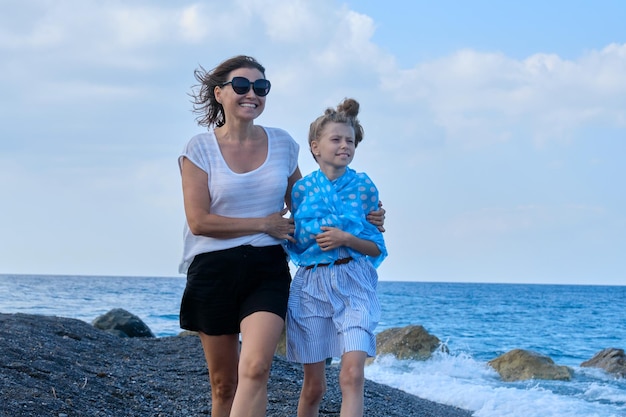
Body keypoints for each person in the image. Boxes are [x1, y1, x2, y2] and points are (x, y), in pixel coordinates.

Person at [177, 56, 385, 417]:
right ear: (220, 93)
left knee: (256, 368)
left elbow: (308, 204)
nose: (252, 94)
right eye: (241, 86)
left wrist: (366, 219)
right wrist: (263, 223)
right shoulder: (199, 148)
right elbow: (198, 222)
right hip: (212, 268)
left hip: (266, 268)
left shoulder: (284, 144)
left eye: (261, 87)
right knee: (224, 385)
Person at [285, 98, 387, 417]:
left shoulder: (364, 186)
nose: (345, 146)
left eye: (350, 141)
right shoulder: (301, 191)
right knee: (314, 386)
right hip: (311, 286)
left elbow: (376, 248)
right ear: (315, 147)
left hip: (354, 282)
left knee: (352, 375)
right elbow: (294, 239)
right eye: (336, 139)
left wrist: (346, 238)